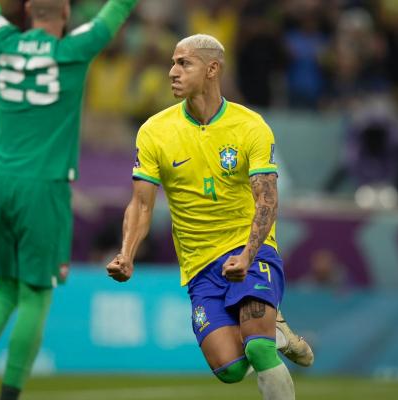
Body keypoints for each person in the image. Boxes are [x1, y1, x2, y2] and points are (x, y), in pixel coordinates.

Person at [107, 34, 312, 399]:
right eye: (172, 62)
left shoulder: (250, 126)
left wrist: (249, 254)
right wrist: (127, 253)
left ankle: (267, 335)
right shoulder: (155, 131)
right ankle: (276, 330)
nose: (172, 72)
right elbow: (140, 204)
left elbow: (266, 200)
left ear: (212, 68)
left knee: (258, 349)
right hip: (200, 266)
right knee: (231, 370)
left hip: (251, 251)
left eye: (184, 63)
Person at [0, 1, 139, 399]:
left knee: (5, 289)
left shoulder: (1, 40)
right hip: (44, 186)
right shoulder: (72, 49)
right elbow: (117, 10)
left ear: (26, 10)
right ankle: (9, 394)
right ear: (65, 14)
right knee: (37, 293)